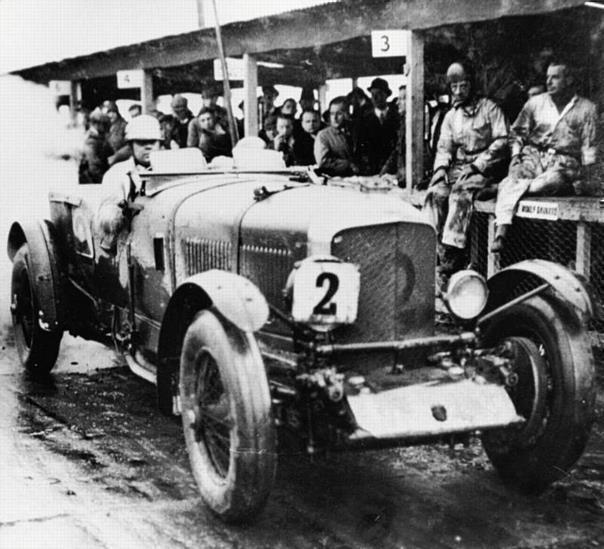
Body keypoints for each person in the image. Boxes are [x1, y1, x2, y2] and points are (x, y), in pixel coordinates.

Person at [492, 59, 598, 251]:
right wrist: (516, 156)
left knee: (545, 182)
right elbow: (516, 133)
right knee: (517, 175)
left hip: (563, 163)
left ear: (569, 79)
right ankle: (502, 229)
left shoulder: (587, 109)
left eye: (555, 77)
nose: (549, 82)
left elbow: (589, 148)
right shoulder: (535, 103)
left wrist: (586, 177)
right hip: (534, 155)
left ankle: (505, 187)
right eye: (547, 77)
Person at [423, 61, 509, 279]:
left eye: (463, 86)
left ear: (472, 85)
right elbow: (444, 147)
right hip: (459, 168)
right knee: (436, 194)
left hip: (486, 169)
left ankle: (453, 258)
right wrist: (440, 170)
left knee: (461, 194)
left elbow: (503, 140)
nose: (458, 92)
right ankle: (435, 253)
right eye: (454, 87)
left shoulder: (490, 109)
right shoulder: (452, 116)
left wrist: (477, 164)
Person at [96, 115, 161, 250]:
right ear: (131, 145)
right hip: (129, 242)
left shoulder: (171, 170)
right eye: (141, 143)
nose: (148, 147)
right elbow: (105, 218)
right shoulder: (117, 173)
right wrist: (120, 211)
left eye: (153, 142)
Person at [358, 77, 400, 174]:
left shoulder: (397, 117)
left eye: (379, 94)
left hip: (393, 170)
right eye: (372, 94)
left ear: (387, 95)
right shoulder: (364, 120)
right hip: (371, 170)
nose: (375, 98)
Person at [314, 96, 362, 177]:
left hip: (360, 177)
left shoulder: (356, 131)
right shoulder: (324, 135)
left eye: (339, 113)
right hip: (335, 179)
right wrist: (348, 164)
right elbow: (323, 162)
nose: (334, 118)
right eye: (332, 114)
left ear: (347, 114)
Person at [380, 85, 406, 186]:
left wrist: (397, 177)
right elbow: (397, 151)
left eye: (402, 99)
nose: (397, 102)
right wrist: (383, 173)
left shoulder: (418, 127)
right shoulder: (404, 123)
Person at [79, 107, 113, 184]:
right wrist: (104, 183)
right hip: (93, 182)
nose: (107, 129)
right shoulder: (91, 141)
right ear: (97, 124)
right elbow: (94, 167)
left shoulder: (98, 137)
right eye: (105, 125)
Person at [101, 100, 130, 166]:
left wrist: (116, 156)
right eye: (108, 113)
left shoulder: (124, 126)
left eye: (113, 112)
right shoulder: (103, 128)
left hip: (122, 162)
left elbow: (130, 146)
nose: (111, 115)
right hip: (107, 164)